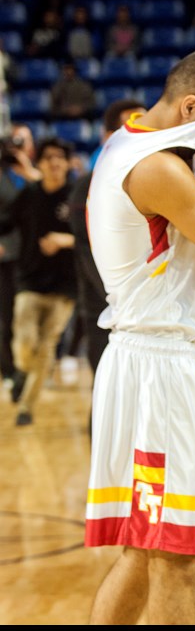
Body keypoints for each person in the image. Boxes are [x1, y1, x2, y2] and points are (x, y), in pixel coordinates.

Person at [84, 49, 195, 625]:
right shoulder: (156, 168)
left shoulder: (125, 141)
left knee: (142, 552)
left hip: (147, 362)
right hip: (156, 371)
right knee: (177, 559)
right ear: (190, 106)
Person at [67, 98, 147, 413]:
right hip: (107, 316)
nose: (131, 135)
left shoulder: (157, 180)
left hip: (147, 318)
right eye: (123, 129)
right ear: (105, 136)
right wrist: (130, 299)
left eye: (138, 128)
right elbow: (88, 255)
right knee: (108, 406)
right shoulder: (86, 186)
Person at [0, 137, 76, 426]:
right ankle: (21, 370)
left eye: (60, 157)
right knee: (24, 343)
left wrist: (63, 240)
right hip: (30, 282)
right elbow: (4, 222)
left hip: (64, 288)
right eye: (49, 158)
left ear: (68, 164)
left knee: (46, 347)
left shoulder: (76, 196)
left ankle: (26, 407)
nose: (55, 163)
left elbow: (91, 235)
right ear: (40, 163)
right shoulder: (29, 196)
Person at [0, 123, 40, 396]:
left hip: (29, 254)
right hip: (5, 254)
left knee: (25, 317)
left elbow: (48, 195)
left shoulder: (28, 173)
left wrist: (27, 170)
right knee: (6, 316)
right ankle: (10, 371)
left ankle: (26, 371)